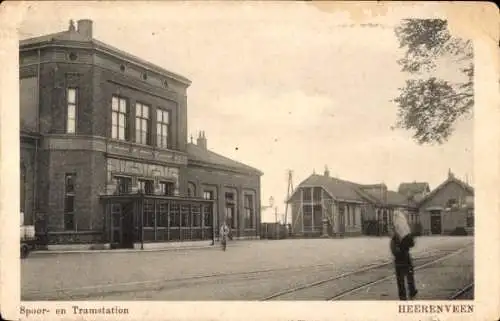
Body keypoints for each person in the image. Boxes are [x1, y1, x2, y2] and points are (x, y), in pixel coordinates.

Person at [390, 211, 418, 300]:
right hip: (405, 257)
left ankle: (402, 296)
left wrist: (397, 251)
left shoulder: (395, 236)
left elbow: (393, 249)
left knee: (400, 279)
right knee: (410, 275)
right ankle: (412, 291)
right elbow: (412, 244)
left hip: (398, 260)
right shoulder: (406, 234)